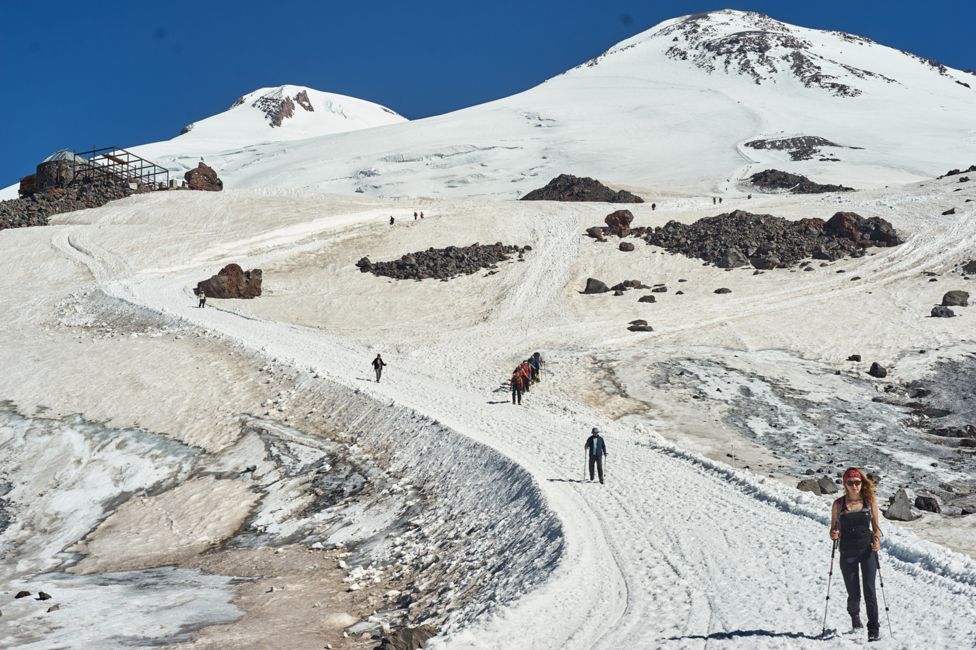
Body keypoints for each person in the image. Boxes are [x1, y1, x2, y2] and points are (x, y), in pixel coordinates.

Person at [830, 467, 882, 642]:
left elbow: (876, 529)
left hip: (867, 551)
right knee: (854, 594)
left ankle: (873, 629)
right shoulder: (838, 504)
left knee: (870, 591)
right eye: (850, 482)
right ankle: (854, 616)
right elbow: (833, 529)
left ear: (861, 483)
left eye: (857, 482)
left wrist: (877, 539)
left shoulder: (870, 502)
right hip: (847, 552)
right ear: (845, 484)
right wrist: (834, 534)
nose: (854, 486)